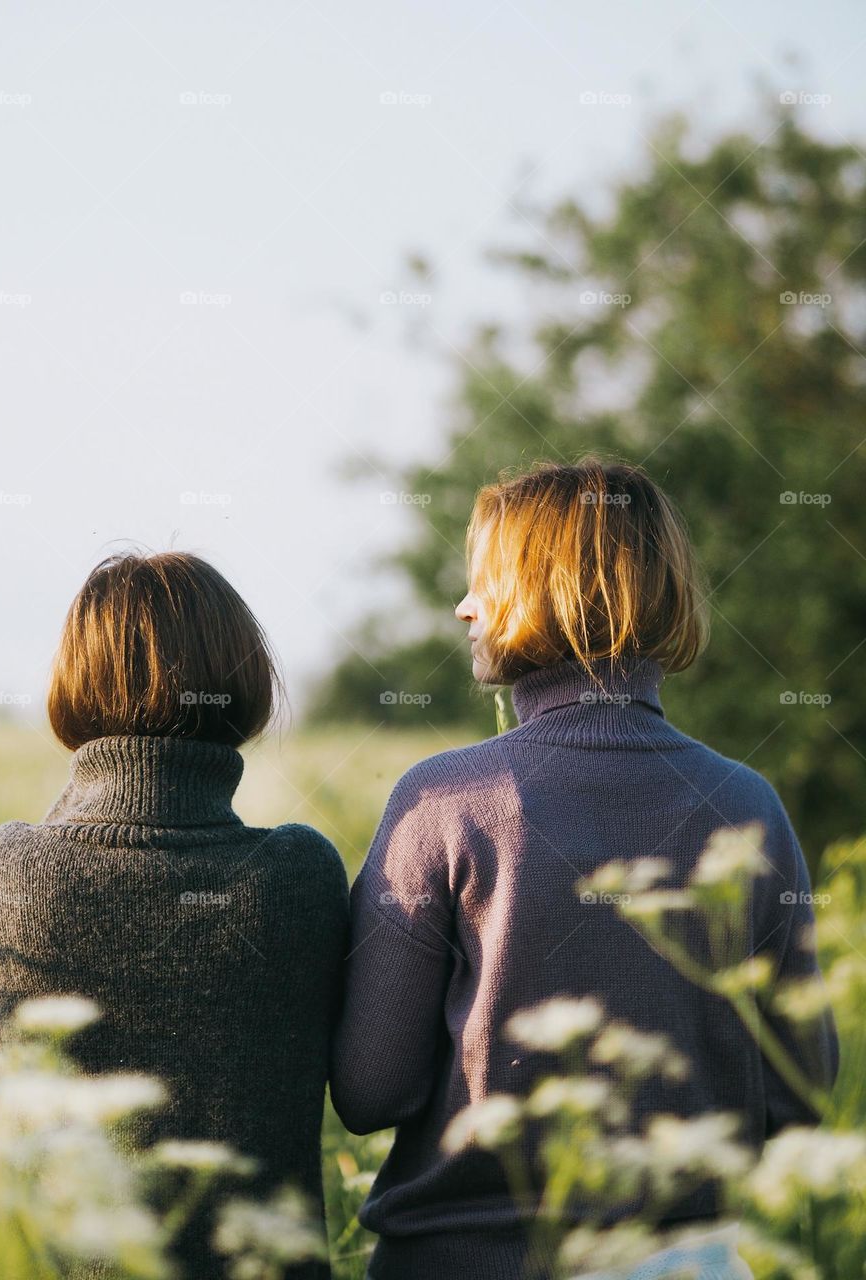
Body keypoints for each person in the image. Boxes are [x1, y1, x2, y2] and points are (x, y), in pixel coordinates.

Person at [330, 458, 839, 1280]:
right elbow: (802, 1087)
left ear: (544, 592)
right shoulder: (750, 807)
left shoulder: (444, 801)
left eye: (484, 582)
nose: (464, 605)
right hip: (685, 1265)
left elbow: (368, 1091)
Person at [0, 550, 349, 1279]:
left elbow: (8, 1011)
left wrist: (96, 756)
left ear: (72, 686)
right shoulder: (296, 873)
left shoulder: (10, 866)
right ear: (244, 682)